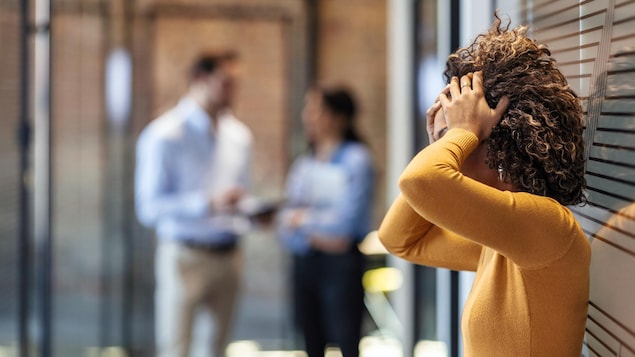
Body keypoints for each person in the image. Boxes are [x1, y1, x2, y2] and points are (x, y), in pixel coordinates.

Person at [378, 16, 591, 357]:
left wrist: (460, 135)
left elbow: (420, 180)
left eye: (459, 139)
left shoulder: (547, 226)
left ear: (497, 141)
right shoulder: (504, 237)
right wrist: (450, 140)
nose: (450, 151)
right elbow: (399, 239)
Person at [135, 50, 252, 357]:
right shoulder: (164, 136)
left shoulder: (239, 136)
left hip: (229, 256)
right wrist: (205, 204)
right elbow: (148, 207)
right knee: (177, 347)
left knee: (216, 348)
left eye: (236, 83)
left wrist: (251, 214)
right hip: (184, 257)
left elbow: (239, 195)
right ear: (200, 79)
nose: (233, 91)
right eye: (226, 82)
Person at [277, 85, 375, 357]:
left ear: (337, 117)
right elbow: (285, 222)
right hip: (307, 262)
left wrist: (303, 221)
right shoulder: (304, 164)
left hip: (341, 266)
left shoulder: (356, 160)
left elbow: (347, 225)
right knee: (310, 340)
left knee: (346, 339)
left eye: (316, 110)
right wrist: (319, 231)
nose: (308, 117)